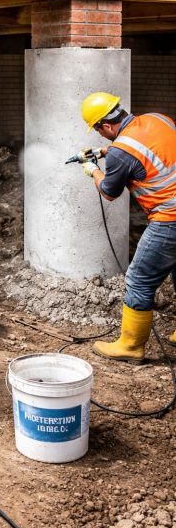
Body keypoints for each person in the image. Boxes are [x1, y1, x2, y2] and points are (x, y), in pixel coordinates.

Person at [80, 92, 176, 362]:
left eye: (99, 131)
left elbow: (110, 192)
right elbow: (150, 149)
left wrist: (92, 170)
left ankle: (131, 346)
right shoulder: (158, 119)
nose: (101, 136)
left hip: (170, 218)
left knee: (140, 279)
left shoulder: (121, 152)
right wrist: (106, 152)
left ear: (106, 125)